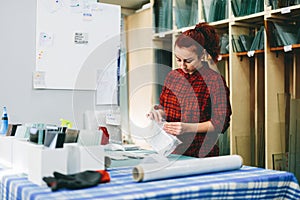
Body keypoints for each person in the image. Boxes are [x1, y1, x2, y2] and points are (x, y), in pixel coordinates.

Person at [147, 22, 232, 158]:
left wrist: (188, 128)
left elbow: (220, 123)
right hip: (171, 153)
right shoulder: (173, 76)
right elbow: (164, 107)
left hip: (201, 155)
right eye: (178, 60)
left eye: (188, 61)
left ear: (202, 55)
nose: (182, 65)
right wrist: (157, 113)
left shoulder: (214, 81)